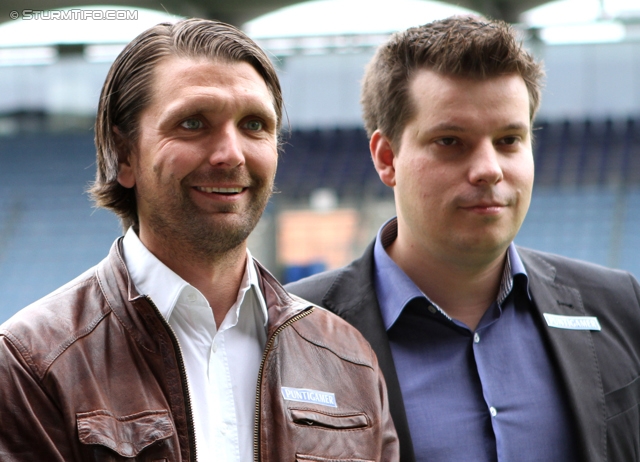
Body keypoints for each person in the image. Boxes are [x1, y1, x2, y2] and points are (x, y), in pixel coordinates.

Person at [0, 19, 398, 461]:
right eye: (192, 123)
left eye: (254, 125)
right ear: (125, 155)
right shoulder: (33, 361)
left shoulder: (347, 359)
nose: (230, 153)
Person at [286, 15, 640, 462]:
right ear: (387, 157)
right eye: (451, 141)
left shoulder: (617, 305)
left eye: (509, 139)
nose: (489, 168)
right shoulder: (292, 329)